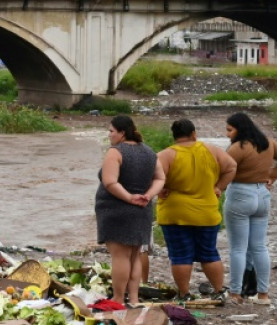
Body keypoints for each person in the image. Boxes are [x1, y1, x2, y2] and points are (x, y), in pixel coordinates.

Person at [156, 118, 237, 301]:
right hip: (206, 212)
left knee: (180, 255)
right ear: (194, 133)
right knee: (209, 253)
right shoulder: (212, 150)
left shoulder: (166, 155)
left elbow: (153, 177)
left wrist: (160, 190)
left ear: (174, 136)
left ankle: (184, 294)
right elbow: (232, 167)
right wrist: (219, 187)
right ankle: (219, 291)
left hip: (175, 213)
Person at [223, 112, 277, 305]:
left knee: (238, 248)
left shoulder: (238, 147)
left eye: (230, 130)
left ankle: (235, 292)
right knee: (259, 247)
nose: (228, 134)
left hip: (240, 194)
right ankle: (263, 294)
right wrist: (272, 176)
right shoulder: (267, 142)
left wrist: (218, 187)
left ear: (239, 129)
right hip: (262, 194)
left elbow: (223, 168)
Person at [95, 115, 165, 305]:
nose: (109, 135)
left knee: (120, 256)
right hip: (142, 210)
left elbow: (110, 182)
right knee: (134, 256)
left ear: (122, 133)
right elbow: (160, 178)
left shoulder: (115, 152)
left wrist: (129, 197)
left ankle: (118, 297)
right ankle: (133, 298)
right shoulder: (149, 152)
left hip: (117, 210)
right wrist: (148, 195)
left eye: (111, 131)